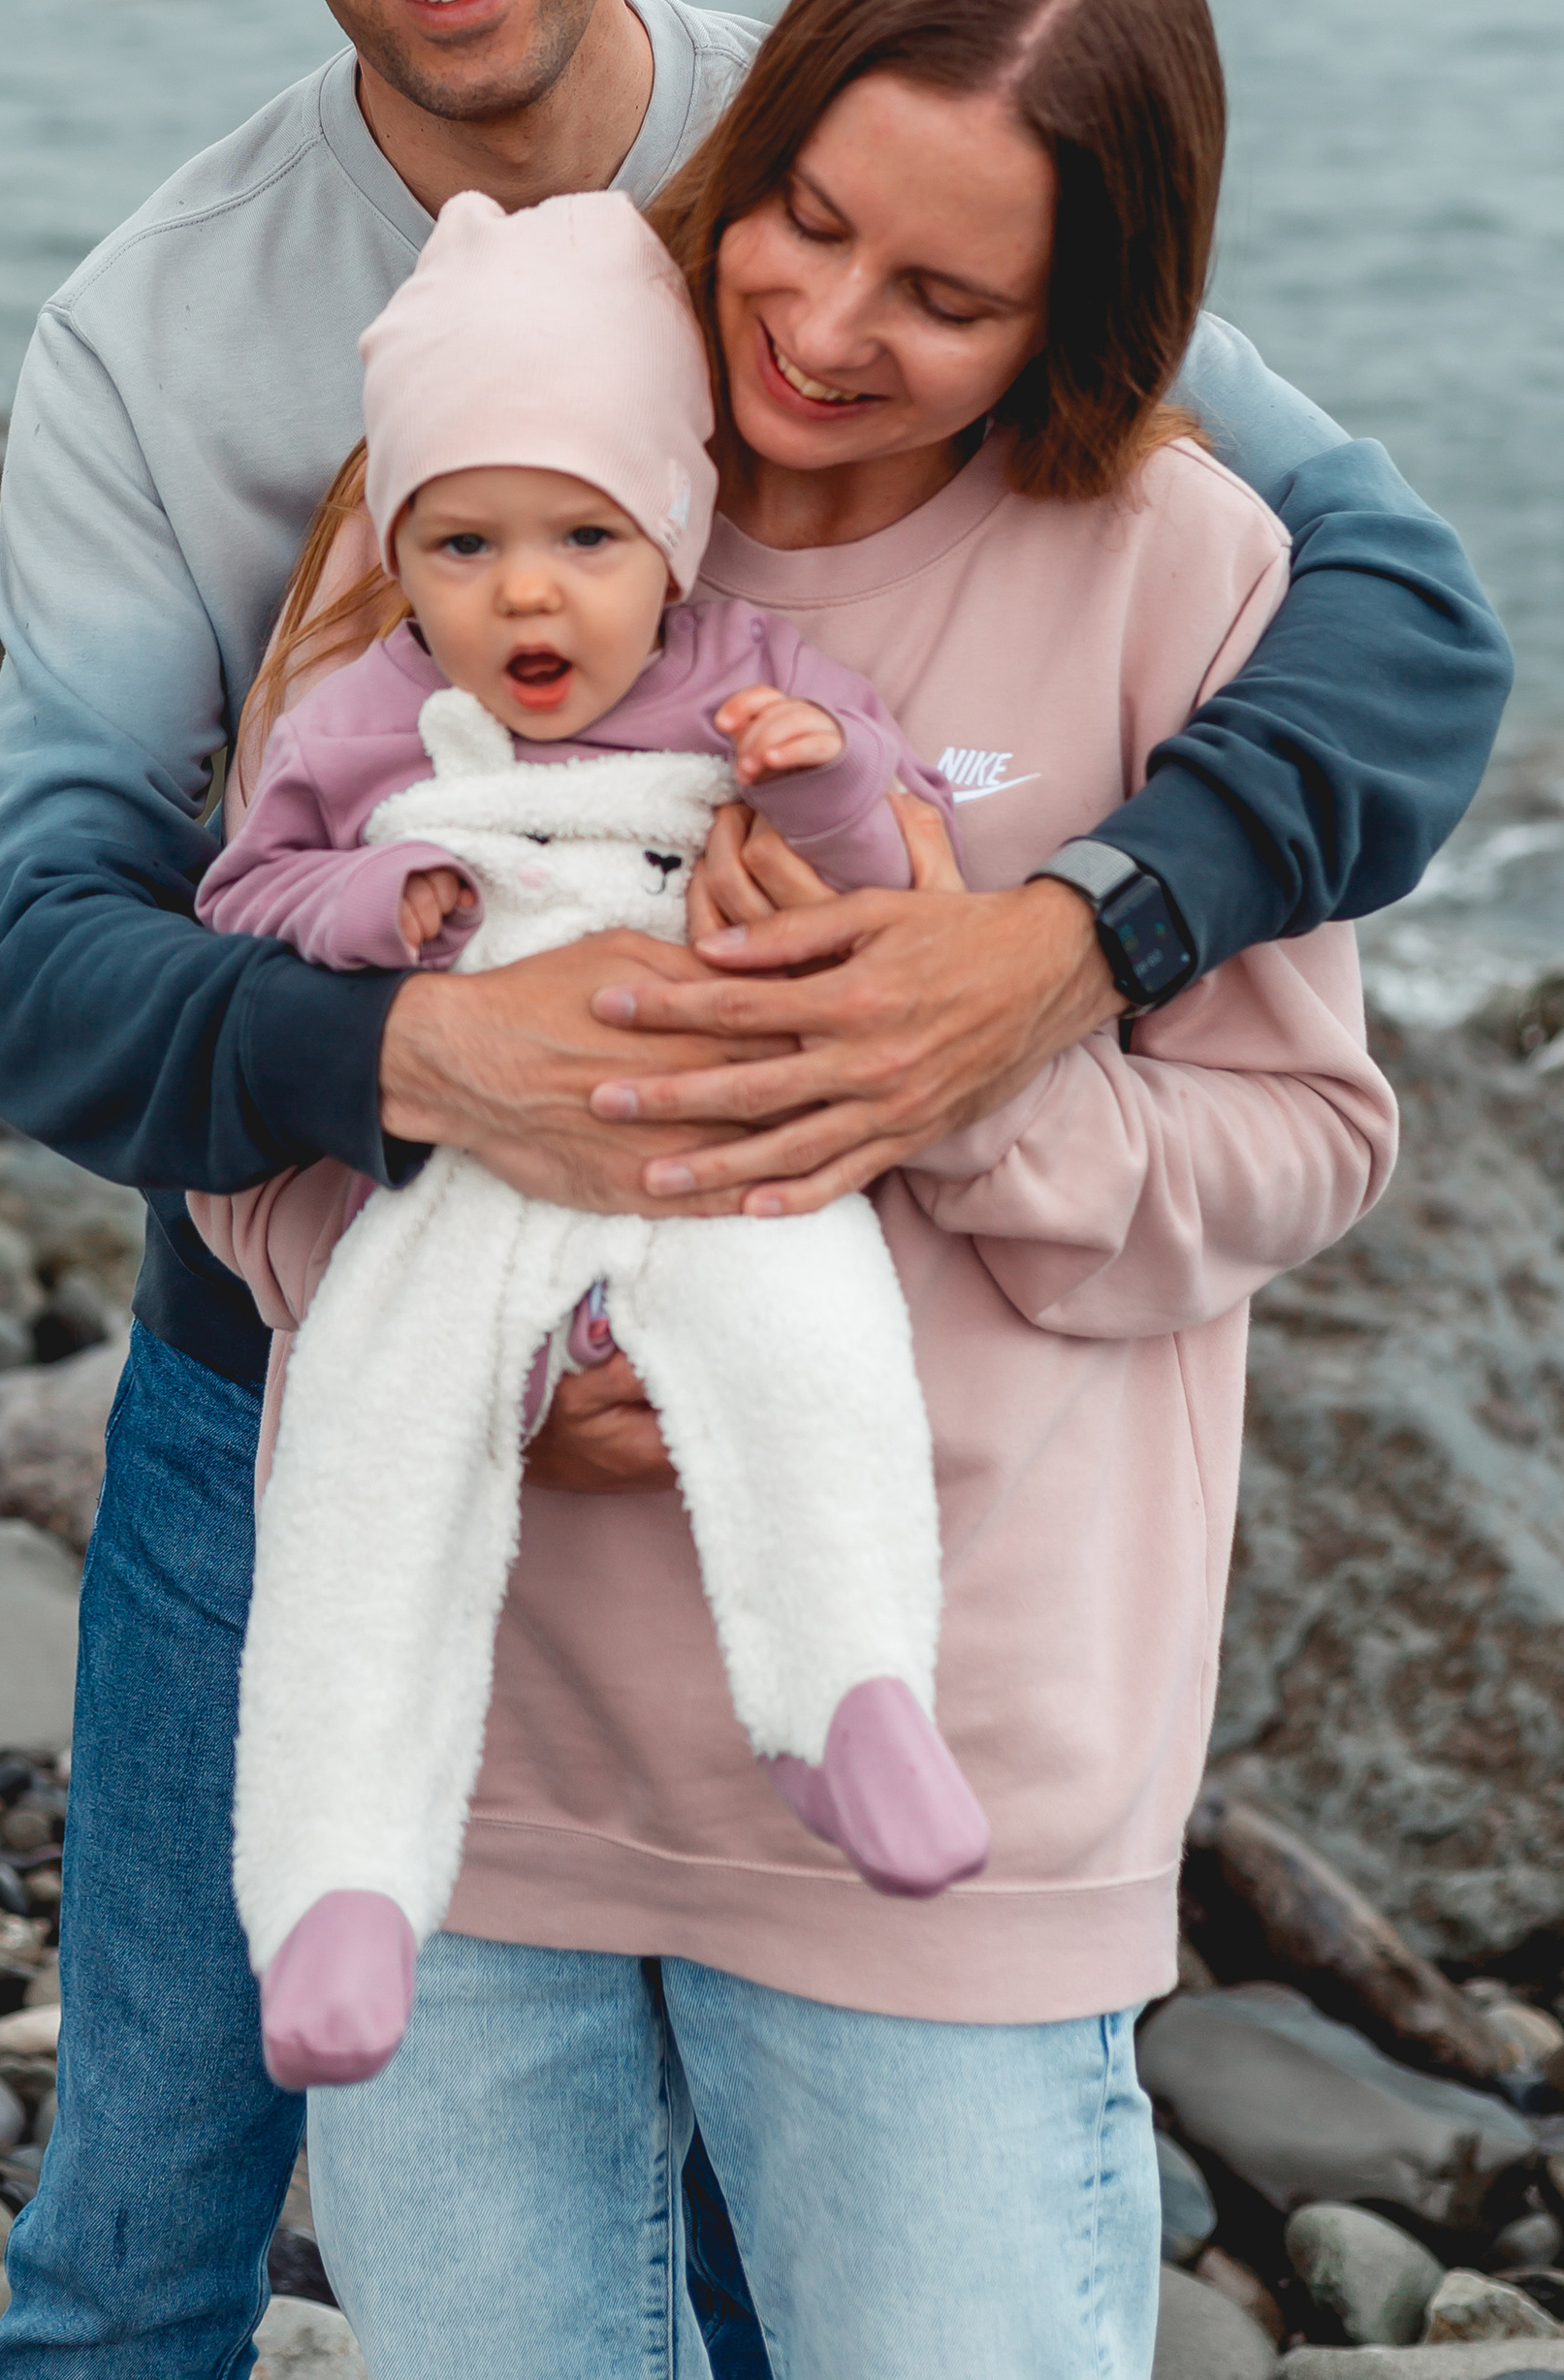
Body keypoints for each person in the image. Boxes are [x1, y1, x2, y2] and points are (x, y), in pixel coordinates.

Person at [0, 0, 1512, 2380]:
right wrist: (434, 1065)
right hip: (292, 1368)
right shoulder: (171, 340)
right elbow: (37, 964)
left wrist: (1064, 952)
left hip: (832, 1471)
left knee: (812, 2238)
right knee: (146, 2214)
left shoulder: (862, 176)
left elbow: (1401, 632)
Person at [239, 0, 1395, 2376]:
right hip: (480, 1786)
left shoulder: (1176, 567)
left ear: (1084, 320)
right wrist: (482, 1349)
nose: (827, 330)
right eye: (807, 220)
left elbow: (1302, 1138)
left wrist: (966, 1073)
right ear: (739, 150)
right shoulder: (492, 469)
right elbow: (251, 1083)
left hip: (949, 1799)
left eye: (947, 300)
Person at [197, 189, 986, 2099]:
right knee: (371, 1459)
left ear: (671, 529)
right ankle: (336, 1887)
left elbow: (889, 906)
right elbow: (245, 893)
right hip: (476, 1164)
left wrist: (831, 795)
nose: (522, 597)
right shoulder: (369, 711)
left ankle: (847, 1694)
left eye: (579, 539)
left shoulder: (756, 682)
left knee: (818, 1349)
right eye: (459, 545)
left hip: (718, 1144)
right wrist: (374, 921)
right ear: (402, 558)